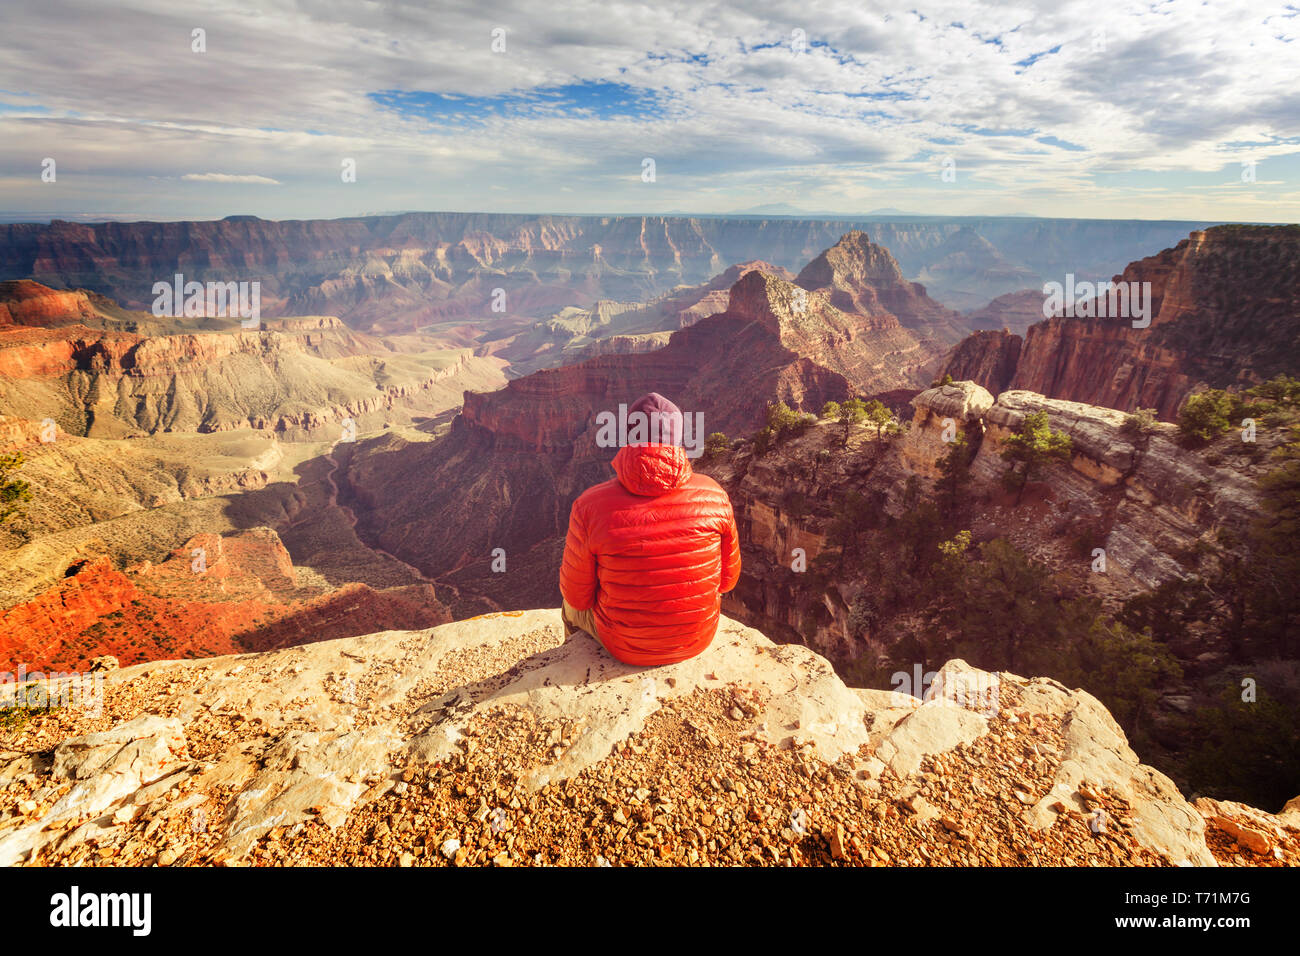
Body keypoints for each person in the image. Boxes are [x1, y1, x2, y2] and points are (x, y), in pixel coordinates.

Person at [559, 392, 741, 666]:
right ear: (678, 438)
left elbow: (577, 598)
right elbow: (727, 581)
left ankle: (570, 666)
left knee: (568, 605)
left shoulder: (589, 506)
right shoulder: (714, 496)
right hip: (697, 639)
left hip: (624, 646)